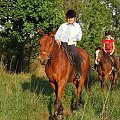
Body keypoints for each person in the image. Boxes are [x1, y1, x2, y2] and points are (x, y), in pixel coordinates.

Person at [54, 9, 83, 81]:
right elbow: (57, 35)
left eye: (71, 18)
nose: (69, 19)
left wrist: (73, 39)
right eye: (68, 17)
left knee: (76, 55)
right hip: (61, 44)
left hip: (71, 44)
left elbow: (79, 37)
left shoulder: (77, 26)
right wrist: (57, 39)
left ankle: (79, 72)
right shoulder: (63, 26)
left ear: (74, 18)